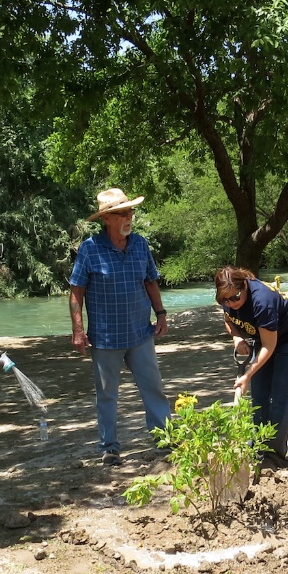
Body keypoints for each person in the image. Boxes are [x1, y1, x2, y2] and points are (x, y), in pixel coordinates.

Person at [69, 188, 170, 466]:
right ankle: (110, 448)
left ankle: (165, 439)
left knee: (153, 387)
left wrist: (160, 313)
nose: (129, 217)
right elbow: (76, 291)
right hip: (105, 337)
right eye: (122, 213)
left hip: (140, 332)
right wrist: (78, 330)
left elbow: (150, 281)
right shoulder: (90, 249)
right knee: (107, 395)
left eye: (130, 212)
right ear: (107, 219)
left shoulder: (140, 244)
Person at [213, 266, 288, 467]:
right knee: (259, 397)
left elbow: (269, 345)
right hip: (265, 337)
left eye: (235, 298)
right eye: (225, 300)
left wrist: (247, 374)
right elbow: (229, 320)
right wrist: (237, 338)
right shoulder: (228, 297)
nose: (231, 303)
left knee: (279, 398)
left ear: (246, 286)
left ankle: (273, 458)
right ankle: (257, 449)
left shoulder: (262, 301)